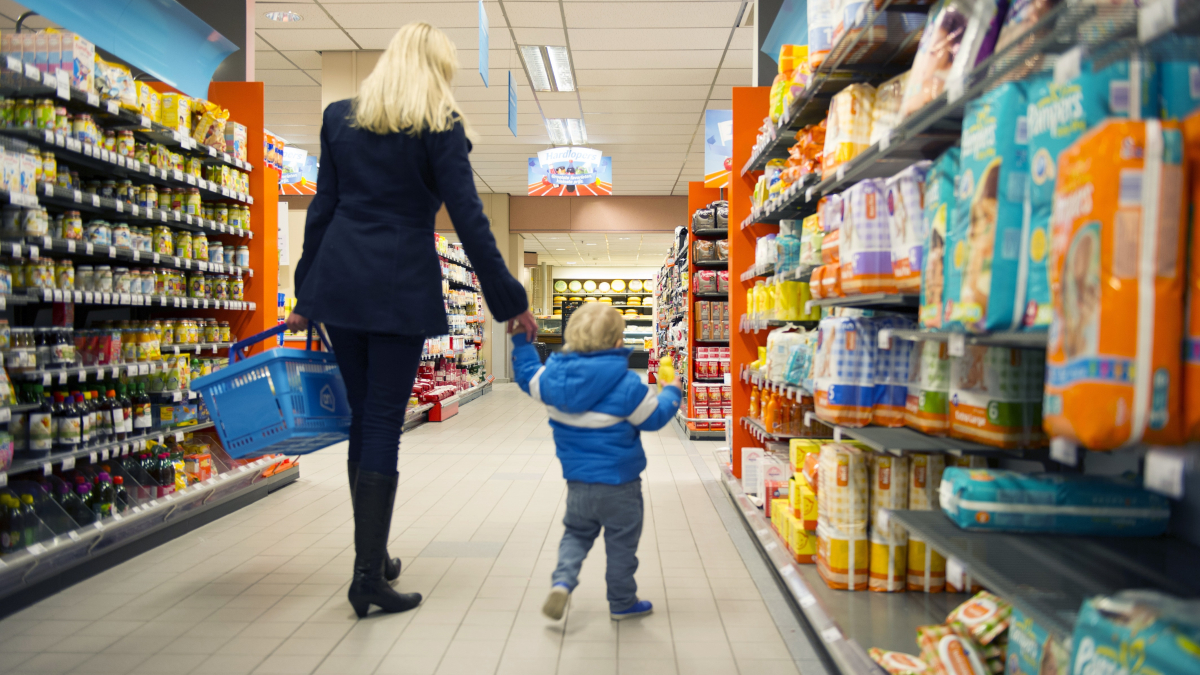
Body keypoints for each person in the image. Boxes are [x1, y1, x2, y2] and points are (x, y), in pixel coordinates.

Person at [285, 22, 537, 619]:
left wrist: (304, 293)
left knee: (362, 417)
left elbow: (322, 209)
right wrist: (510, 298)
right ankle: (367, 575)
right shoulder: (438, 124)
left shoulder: (340, 116)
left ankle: (370, 555)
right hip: (397, 283)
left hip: (341, 281)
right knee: (380, 420)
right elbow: (470, 220)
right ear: (436, 70)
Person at [510, 303, 682, 621]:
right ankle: (622, 602)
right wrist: (672, 392)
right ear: (618, 342)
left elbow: (526, 375)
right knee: (621, 545)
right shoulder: (627, 384)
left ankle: (562, 581)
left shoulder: (551, 381)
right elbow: (654, 418)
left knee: (575, 534)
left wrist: (521, 343)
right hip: (621, 486)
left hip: (579, 484)